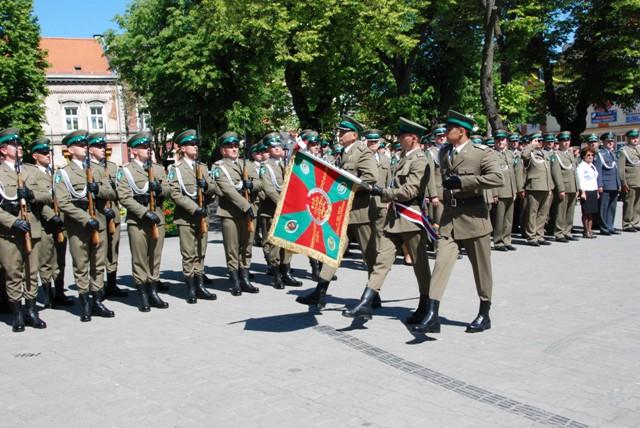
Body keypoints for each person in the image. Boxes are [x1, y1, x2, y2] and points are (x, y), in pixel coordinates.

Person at [413, 110, 502, 334]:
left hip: (474, 218)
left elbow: (497, 178)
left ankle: (484, 312)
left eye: (449, 128)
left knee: (481, 269)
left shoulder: (482, 153)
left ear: (461, 131)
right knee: (441, 263)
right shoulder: (444, 152)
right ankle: (432, 314)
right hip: (450, 219)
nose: (445, 132)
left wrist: (464, 181)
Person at [343, 118, 437, 322]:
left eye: (402, 136)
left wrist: (383, 192)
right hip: (394, 219)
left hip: (410, 218)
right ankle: (366, 302)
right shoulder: (403, 157)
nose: (399, 139)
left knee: (420, 265)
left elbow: (411, 189)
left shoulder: (420, 160)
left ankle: (425, 305)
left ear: (413, 138)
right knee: (381, 261)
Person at [296, 116, 378, 309]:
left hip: (361, 211)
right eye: (339, 131)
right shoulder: (344, 152)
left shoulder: (363, 152)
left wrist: (345, 188)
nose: (339, 134)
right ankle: (320, 291)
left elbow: (371, 178)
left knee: (370, 255)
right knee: (334, 251)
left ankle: (374, 293)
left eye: (343, 132)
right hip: (344, 212)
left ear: (354, 135)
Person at [54, 130, 116, 322]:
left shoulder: (97, 169)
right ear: (70, 150)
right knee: (81, 265)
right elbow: (63, 202)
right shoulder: (62, 173)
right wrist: (84, 218)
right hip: (78, 226)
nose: (85, 148)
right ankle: (85, 303)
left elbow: (112, 193)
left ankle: (97, 301)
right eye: (80, 145)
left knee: (98, 264)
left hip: (99, 222)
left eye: (86, 145)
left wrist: (98, 189)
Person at [0, 128, 51, 332]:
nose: (20, 147)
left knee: (32, 271)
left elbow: (47, 195)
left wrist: (30, 194)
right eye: (15, 144)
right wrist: (12, 221)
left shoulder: (32, 171)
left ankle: (31, 312)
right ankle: (17, 314)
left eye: (20, 144)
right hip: (9, 232)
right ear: (3, 150)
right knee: (13, 273)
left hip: (32, 228)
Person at [116, 133, 170, 312]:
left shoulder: (158, 169)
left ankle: (153, 291)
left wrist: (160, 189)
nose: (147, 149)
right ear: (133, 151)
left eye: (148, 146)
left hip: (158, 219)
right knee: (140, 258)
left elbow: (170, 190)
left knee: (155, 256)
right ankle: (143, 295)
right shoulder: (125, 171)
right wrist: (144, 212)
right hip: (138, 221)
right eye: (142, 147)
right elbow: (124, 196)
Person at [167, 129, 217, 303]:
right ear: (182, 148)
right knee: (189, 253)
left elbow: (213, 189)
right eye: (191, 144)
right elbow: (175, 193)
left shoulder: (202, 167)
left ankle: (200, 284)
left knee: (201, 251)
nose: (195, 146)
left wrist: (207, 187)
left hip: (202, 215)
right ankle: (191, 288)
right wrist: (194, 208)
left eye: (196, 144)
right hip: (187, 216)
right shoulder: (175, 169)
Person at [27, 137, 74, 308]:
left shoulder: (55, 172)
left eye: (49, 152)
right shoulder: (31, 174)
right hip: (45, 223)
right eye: (44, 153)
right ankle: (47, 295)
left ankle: (59, 292)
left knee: (60, 260)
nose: (48, 155)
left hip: (60, 222)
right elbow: (35, 200)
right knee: (46, 260)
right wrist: (50, 215)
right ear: (35, 156)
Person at [212, 132, 260, 296]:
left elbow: (259, 182)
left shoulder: (247, 163)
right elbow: (227, 190)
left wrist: (252, 185)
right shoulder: (218, 167)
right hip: (230, 213)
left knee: (246, 246)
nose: (234, 149)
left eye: (235, 146)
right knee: (232, 248)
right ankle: (235, 281)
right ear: (222, 150)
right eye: (229, 146)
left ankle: (245, 278)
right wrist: (247, 206)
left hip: (248, 213)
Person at [87, 133, 128, 300]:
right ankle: (97, 287)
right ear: (90, 150)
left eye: (104, 146)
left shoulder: (113, 168)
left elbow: (122, 190)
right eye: (99, 147)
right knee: (98, 254)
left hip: (114, 216)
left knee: (113, 251)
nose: (103, 149)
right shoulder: (87, 169)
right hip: (98, 216)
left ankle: (111, 284)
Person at [259, 132, 303, 288]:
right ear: (268, 150)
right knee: (275, 244)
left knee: (287, 242)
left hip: (287, 211)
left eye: (278, 145)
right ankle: (276, 274)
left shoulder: (286, 165)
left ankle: (287, 272)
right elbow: (269, 189)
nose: (277, 148)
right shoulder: (266, 167)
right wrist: (283, 205)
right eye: (273, 146)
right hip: (272, 211)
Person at [521, 133, 554, 246]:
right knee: (532, 212)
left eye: (541, 140)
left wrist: (550, 186)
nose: (540, 142)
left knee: (543, 213)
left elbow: (548, 171)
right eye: (538, 140)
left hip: (546, 186)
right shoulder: (530, 152)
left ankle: (539, 234)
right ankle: (531, 236)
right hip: (534, 186)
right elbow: (524, 156)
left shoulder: (545, 153)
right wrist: (531, 145)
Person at [491, 129, 518, 251]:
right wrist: (494, 193)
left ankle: (507, 239)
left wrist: (515, 191)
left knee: (509, 218)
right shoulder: (492, 155)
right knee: (499, 218)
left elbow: (513, 174)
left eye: (502, 139)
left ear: (506, 141)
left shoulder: (510, 154)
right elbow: (492, 175)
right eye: (498, 139)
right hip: (500, 190)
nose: (500, 142)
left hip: (510, 190)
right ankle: (498, 241)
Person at [551, 131, 579, 242]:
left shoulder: (570, 154)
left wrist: (577, 187)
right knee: (561, 211)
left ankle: (567, 231)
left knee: (570, 211)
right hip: (564, 186)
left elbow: (574, 171)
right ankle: (559, 233)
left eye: (567, 140)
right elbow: (556, 173)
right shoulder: (556, 155)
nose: (566, 143)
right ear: (560, 142)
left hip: (572, 186)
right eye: (563, 140)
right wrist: (560, 189)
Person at [595, 132, 621, 235]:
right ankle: (604, 228)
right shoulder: (600, 154)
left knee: (612, 207)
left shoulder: (614, 154)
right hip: (605, 185)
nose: (610, 143)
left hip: (614, 184)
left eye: (611, 141)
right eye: (608, 141)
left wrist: (618, 184)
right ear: (604, 142)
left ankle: (610, 226)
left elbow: (616, 170)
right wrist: (600, 185)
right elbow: (598, 171)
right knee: (604, 207)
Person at [617, 129, 640, 232]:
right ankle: (627, 224)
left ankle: (635, 222)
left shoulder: (638, 149)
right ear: (628, 139)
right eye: (632, 138)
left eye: (636, 138)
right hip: (630, 181)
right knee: (629, 203)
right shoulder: (624, 150)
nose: (635, 140)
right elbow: (621, 169)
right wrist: (623, 182)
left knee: (637, 204)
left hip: (639, 181)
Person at [576, 147, 599, 238]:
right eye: (588, 155)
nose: (590, 157)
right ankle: (586, 231)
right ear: (583, 156)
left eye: (592, 155)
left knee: (591, 213)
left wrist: (596, 191)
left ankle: (590, 230)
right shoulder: (581, 166)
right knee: (586, 212)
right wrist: (582, 192)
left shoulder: (592, 165)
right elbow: (580, 180)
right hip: (586, 191)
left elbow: (594, 179)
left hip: (593, 190)